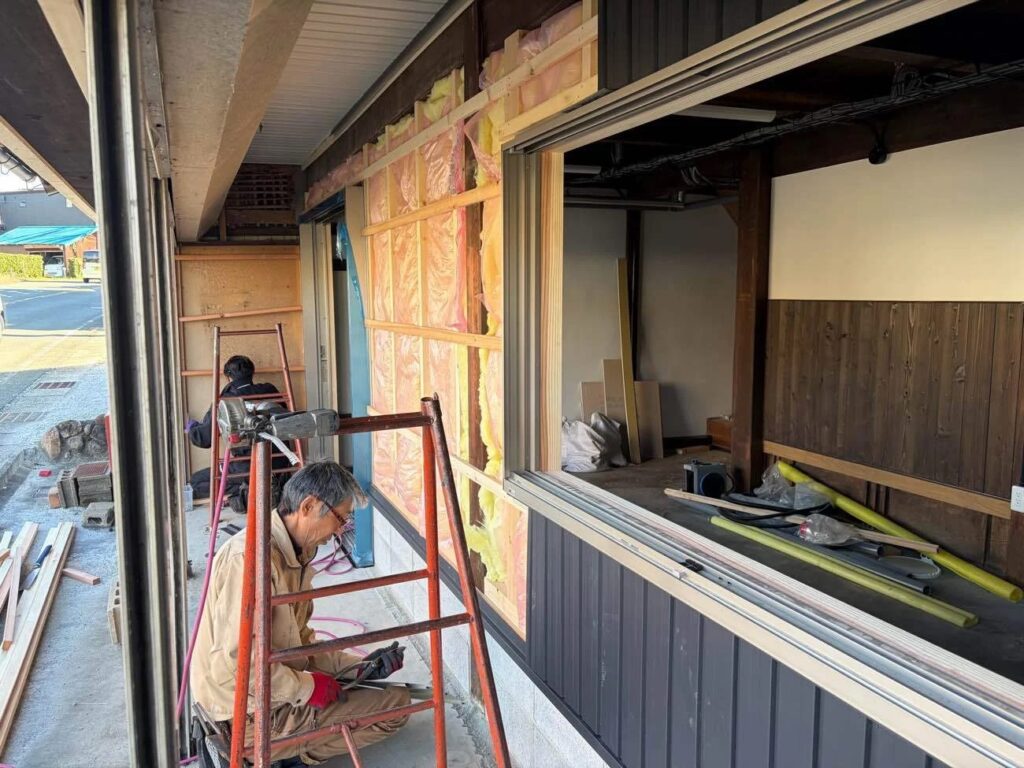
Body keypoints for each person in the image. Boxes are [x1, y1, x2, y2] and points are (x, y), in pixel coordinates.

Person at [191, 461, 410, 764]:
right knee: (397, 707)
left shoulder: (295, 553)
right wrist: (306, 688)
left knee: (386, 695)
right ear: (308, 506)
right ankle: (260, 754)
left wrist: (360, 668)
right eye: (340, 518)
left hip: (264, 691)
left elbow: (302, 646)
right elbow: (238, 663)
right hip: (241, 713)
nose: (340, 531)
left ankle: (284, 752)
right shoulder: (249, 559)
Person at [187, 354, 280, 500]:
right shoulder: (271, 389)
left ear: (228, 377)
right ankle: (255, 488)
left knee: (195, 482)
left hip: (248, 464)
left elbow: (204, 439)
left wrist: (192, 428)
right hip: (279, 462)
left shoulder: (226, 400)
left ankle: (248, 489)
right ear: (252, 373)